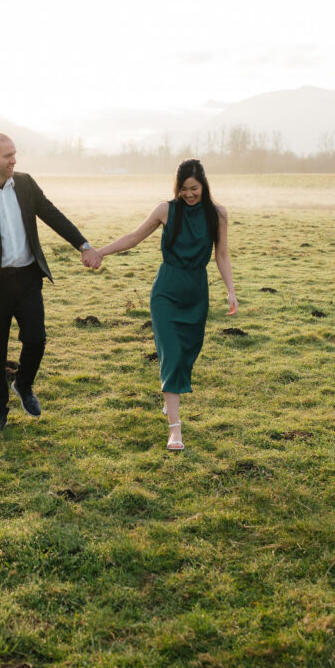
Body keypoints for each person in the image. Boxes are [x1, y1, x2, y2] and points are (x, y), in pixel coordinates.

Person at [0, 133, 101, 434]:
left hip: (28, 278)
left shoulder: (26, 183)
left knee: (36, 339)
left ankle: (23, 383)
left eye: (15, 154)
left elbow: (52, 215)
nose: (13, 160)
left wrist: (84, 245)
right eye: (7, 155)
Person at [97, 158, 237, 451]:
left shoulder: (218, 215)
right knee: (172, 354)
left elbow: (221, 255)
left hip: (197, 294)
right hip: (166, 294)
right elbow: (134, 238)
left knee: (187, 353)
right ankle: (175, 427)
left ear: (204, 185)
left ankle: (169, 399)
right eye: (184, 188)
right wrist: (101, 252)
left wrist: (230, 291)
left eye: (194, 188)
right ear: (177, 187)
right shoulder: (165, 210)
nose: (189, 194)